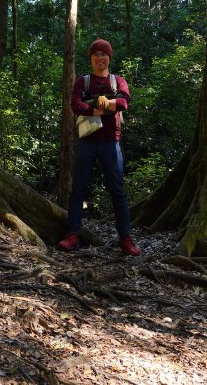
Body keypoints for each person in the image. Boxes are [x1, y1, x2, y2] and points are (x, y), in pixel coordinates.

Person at [58, 38, 142, 256]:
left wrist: (101, 104)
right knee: (78, 190)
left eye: (104, 54)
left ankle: (125, 237)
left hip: (111, 143)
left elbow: (124, 103)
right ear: (91, 58)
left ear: (109, 58)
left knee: (117, 191)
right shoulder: (83, 82)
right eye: (96, 54)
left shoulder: (118, 81)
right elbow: (75, 105)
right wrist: (101, 108)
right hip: (87, 142)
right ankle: (73, 235)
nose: (100, 58)